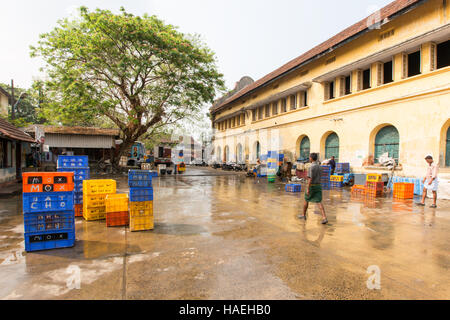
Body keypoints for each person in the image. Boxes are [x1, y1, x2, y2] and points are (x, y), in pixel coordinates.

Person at [298, 153, 328, 224]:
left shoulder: (311, 167)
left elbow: (310, 178)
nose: (309, 158)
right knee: (318, 201)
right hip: (318, 186)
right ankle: (324, 217)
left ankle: (303, 215)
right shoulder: (320, 167)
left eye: (309, 157)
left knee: (306, 199)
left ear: (311, 158)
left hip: (312, 186)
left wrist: (308, 188)